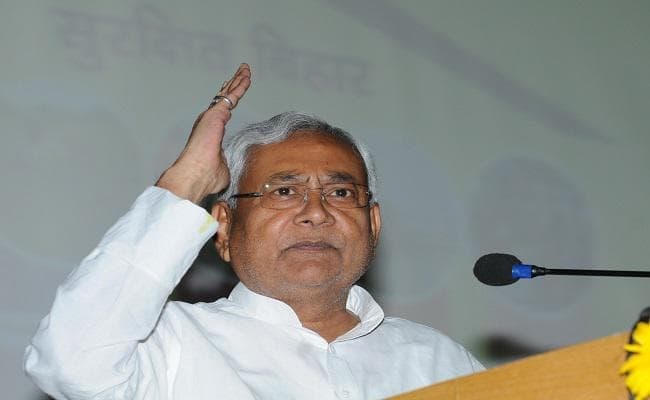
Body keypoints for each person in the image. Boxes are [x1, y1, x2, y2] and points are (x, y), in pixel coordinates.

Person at [24, 64, 483, 399]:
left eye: (341, 193)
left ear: (374, 225)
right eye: (283, 191)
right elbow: (68, 363)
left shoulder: (437, 361)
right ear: (224, 229)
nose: (316, 212)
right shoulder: (173, 344)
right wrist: (188, 181)